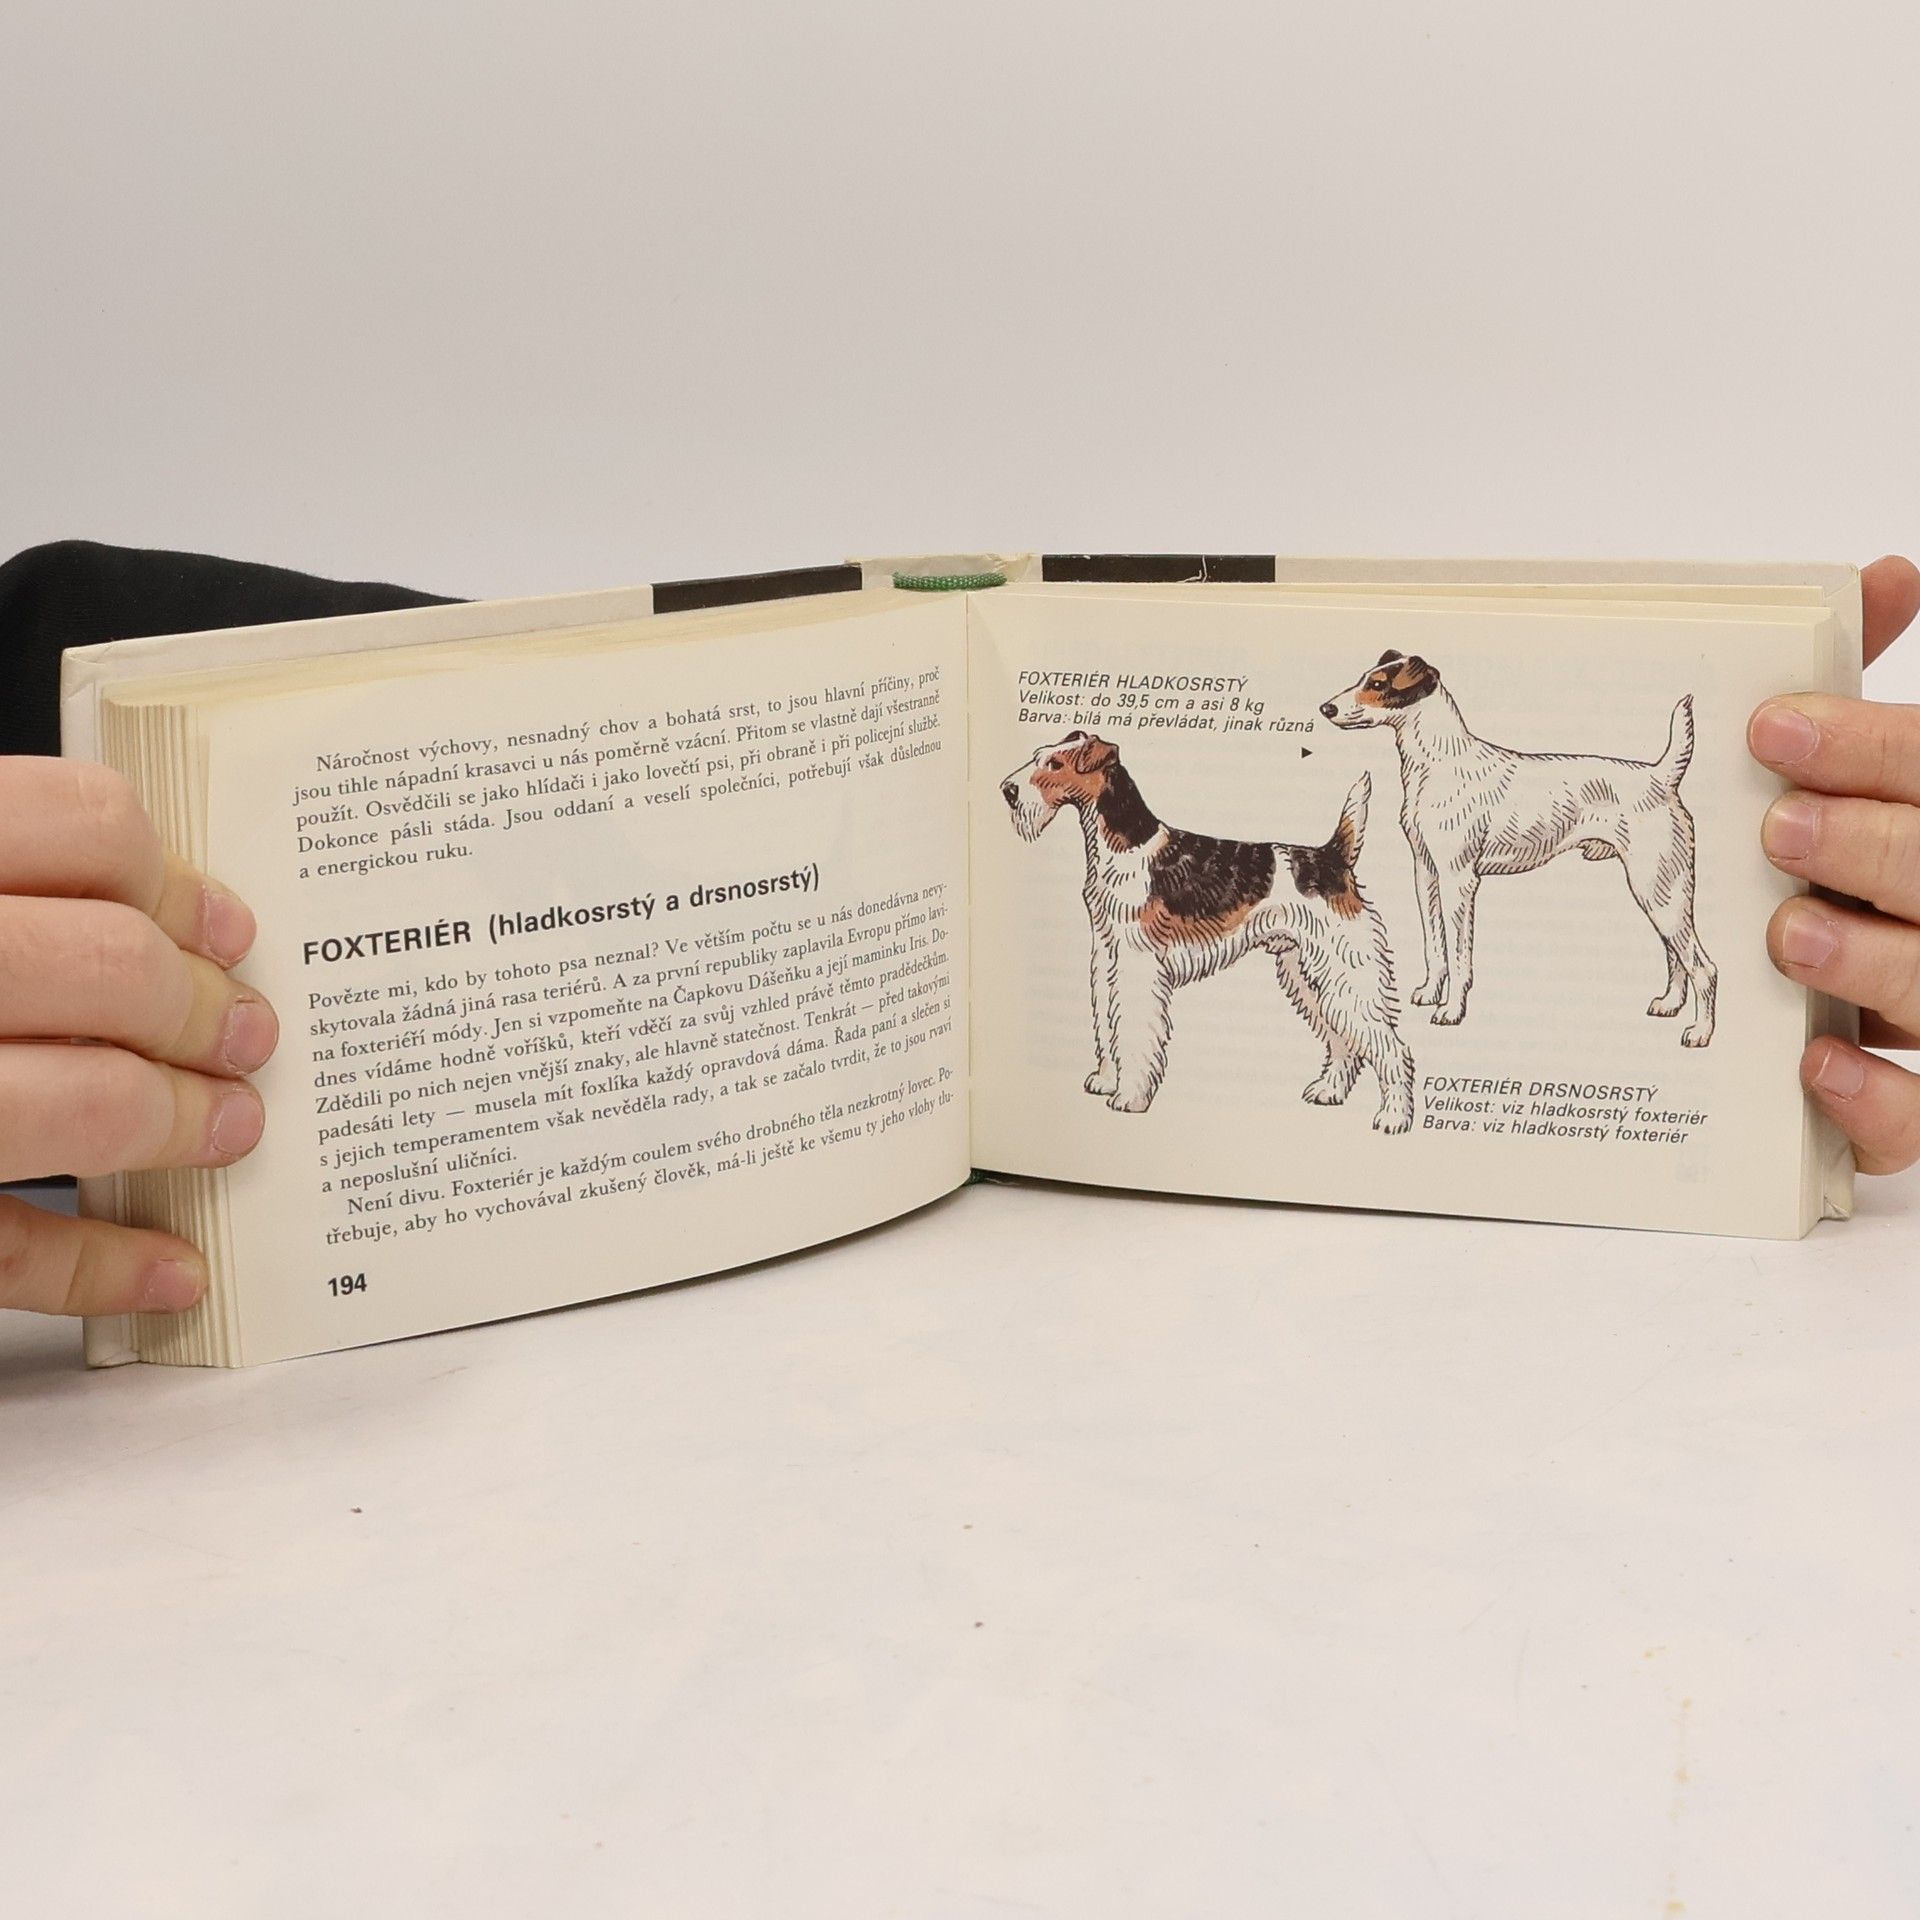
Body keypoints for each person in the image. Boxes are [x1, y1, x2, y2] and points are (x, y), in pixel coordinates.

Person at [1, 542, 1916, 1319]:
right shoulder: (1127, 853)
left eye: (1065, 770)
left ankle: (1389, 1069)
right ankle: (1238, 1070)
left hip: (1287, 876)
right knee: (1252, 966)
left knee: (1342, 967)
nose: (1050, 784)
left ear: (1096, 780)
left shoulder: (1206, 848)